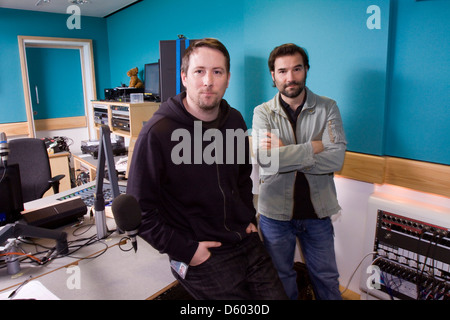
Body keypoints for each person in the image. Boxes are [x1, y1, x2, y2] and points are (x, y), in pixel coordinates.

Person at [127, 38, 287, 300]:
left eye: (217, 72)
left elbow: (242, 177)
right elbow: (140, 212)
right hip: (202, 252)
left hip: (244, 240)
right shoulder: (158, 133)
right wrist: (188, 251)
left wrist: (248, 216)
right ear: (184, 77)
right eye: (199, 71)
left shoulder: (234, 120)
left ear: (227, 78)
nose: (208, 81)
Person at [252, 43, 347, 300]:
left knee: (326, 279)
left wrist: (287, 151)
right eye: (282, 71)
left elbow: (336, 158)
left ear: (306, 70)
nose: (290, 77)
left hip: (317, 213)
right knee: (280, 280)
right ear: (273, 75)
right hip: (274, 215)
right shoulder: (262, 112)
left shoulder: (328, 107)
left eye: (296, 69)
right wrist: (313, 148)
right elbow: (264, 158)